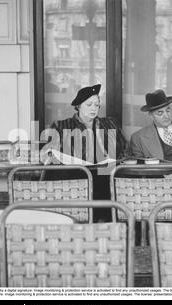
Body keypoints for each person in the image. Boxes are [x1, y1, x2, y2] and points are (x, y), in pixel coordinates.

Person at [46, 84, 129, 222]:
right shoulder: (61, 126)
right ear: (78, 106)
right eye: (89, 104)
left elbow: (124, 149)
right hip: (75, 176)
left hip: (105, 176)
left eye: (97, 105)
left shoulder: (110, 124)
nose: (93, 108)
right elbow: (52, 154)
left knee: (106, 179)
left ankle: (107, 226)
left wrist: (115, 158)